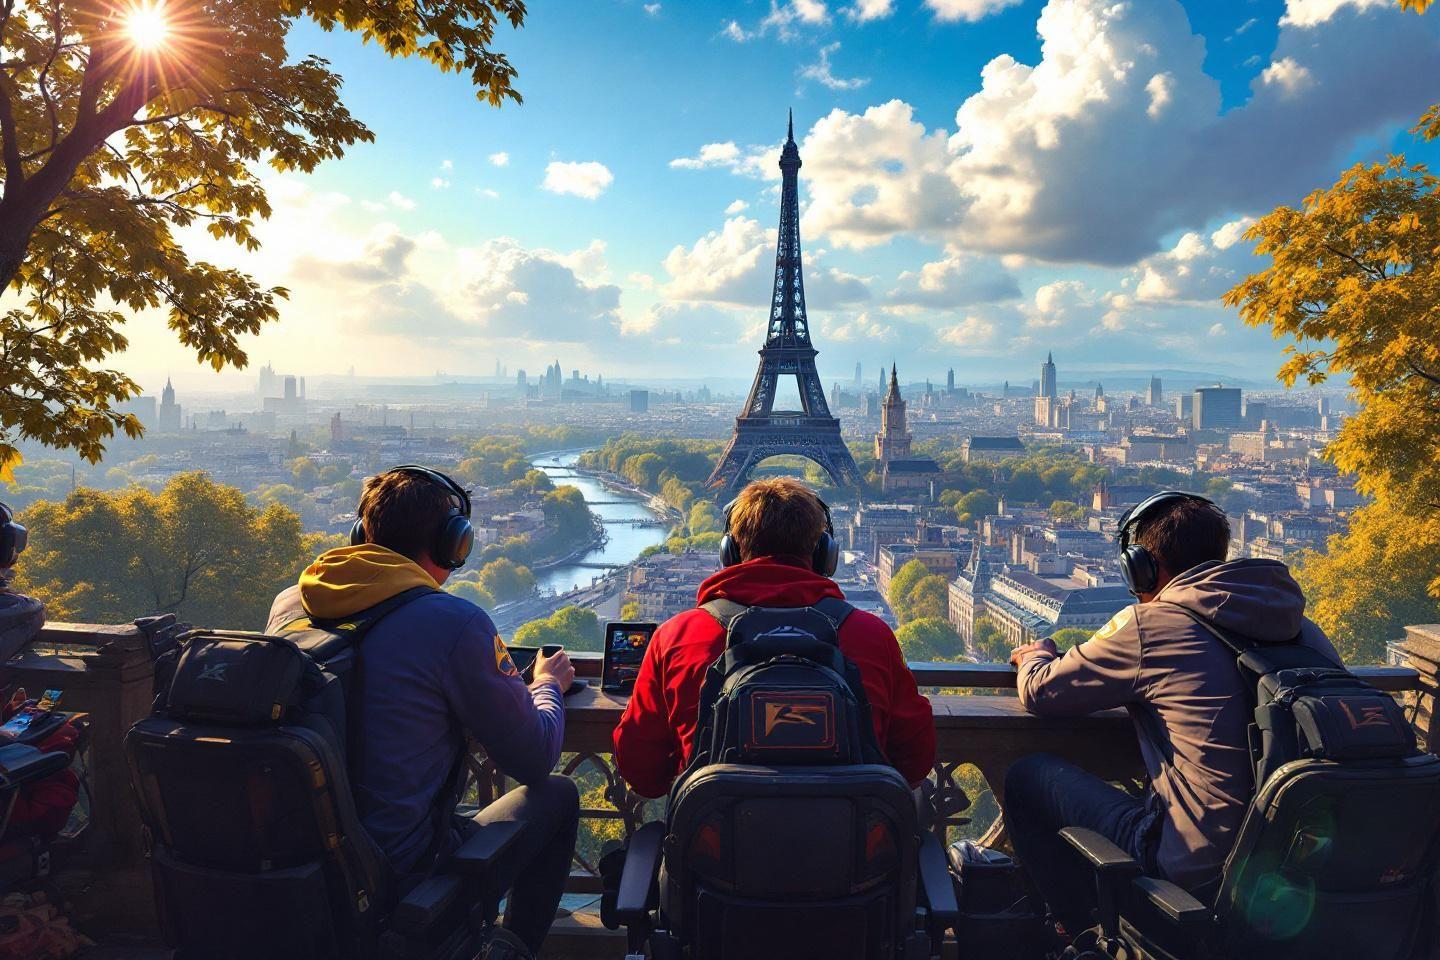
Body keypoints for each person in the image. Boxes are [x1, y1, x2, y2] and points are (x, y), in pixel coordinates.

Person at [266, 467, 579, 959]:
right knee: (558, 793)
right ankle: (510, 951)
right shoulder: (453, 623)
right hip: (401, 881)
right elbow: (535, 756)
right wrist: (545, 687)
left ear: (360, 535)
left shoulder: (291, 604)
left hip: (299, 863)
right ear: (455, 543)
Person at [1002, 491, 1342, 935]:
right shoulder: (1302, 628)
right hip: (1300, 870)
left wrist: (1034, 654)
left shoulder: (1150, 625)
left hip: (1196, 877)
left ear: (1141, 568)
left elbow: (1040, 692)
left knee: (1028, 777)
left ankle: (1079, 933)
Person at [613, 477, 935, 799]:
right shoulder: (871, 635)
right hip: (847, 842)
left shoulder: (677, 637)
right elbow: (914, 761)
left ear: (731, 552)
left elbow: (640, 769)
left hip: (715, 845)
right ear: (825, 555)